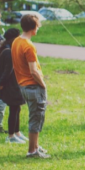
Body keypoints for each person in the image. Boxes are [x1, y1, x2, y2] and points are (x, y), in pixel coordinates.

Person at [12, 14, 50, 158]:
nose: (39, 27)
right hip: (33, 86)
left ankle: (35, 146)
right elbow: (33, 71)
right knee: (36, 117)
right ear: (33, 27)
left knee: (35, 115)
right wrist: (43, 84)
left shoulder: (16, 41)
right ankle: (32, 151)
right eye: (38, 25)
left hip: (23, 85)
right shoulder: (28, 45)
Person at [0, 28, 27, 144]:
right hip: (11, 86)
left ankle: (17, 132)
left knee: (17, 108)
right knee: (13, 109)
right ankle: (11, 136)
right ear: (14, 39)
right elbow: (6, 72)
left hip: (14, 85)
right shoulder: (8, 52)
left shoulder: (9, 50)